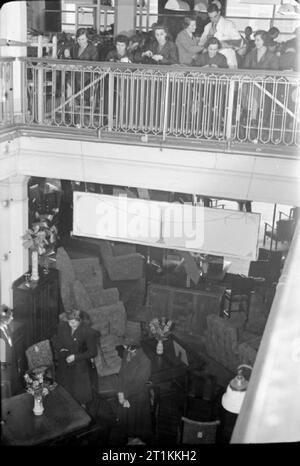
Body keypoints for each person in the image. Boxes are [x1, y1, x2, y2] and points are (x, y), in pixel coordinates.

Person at [52, 309, 98, 406]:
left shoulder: (89, 332)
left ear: (80, 320)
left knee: (79, 396)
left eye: (73, 322)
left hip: (80, 366)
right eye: (69, 322)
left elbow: (93, 352)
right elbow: (56, 339)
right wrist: (60, 349)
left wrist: (76, 357)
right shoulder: (62, 326)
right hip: (64, 364)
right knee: (65, 393)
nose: (70, 325)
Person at [116, 338, 152, 444]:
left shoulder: (145, 361)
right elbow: (121, 373)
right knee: (127, 424)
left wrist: (125, 395)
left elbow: (139, 384)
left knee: (136, 425)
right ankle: (129, 438)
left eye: (126, 346)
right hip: (125, 393)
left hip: (137, 397)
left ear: (134, 347)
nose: (124, 348)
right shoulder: (127, 352)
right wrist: (120, 392)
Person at [198, 3, 242, 68]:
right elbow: (201, 44)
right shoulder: (207, 27)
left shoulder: (228, 24)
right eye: (211, 17)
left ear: (219, 13)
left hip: (228, 58)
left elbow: (239, 41)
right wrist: (209, 35)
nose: (213, 19)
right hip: (211, 60)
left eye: (215, 16)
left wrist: (224, 43)